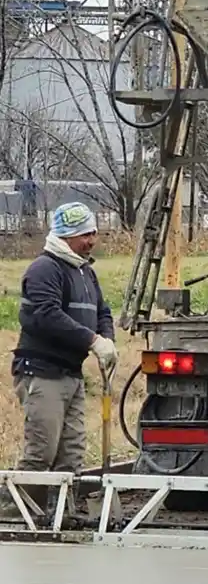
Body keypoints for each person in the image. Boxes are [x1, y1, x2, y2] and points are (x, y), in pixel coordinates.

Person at [0, 202, 117, 517]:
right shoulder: (45, 269)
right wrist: (91, 340)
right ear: (66, 236)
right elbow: (46, 315)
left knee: (72, 452)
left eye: (93, 233)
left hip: (71, 373)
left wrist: (107, 341)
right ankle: (18, 514)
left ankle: (62, 513)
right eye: (85, 235)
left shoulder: (85, 272)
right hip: (42, 372)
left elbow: (102, 312)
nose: (91, 241)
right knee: (43, 449)